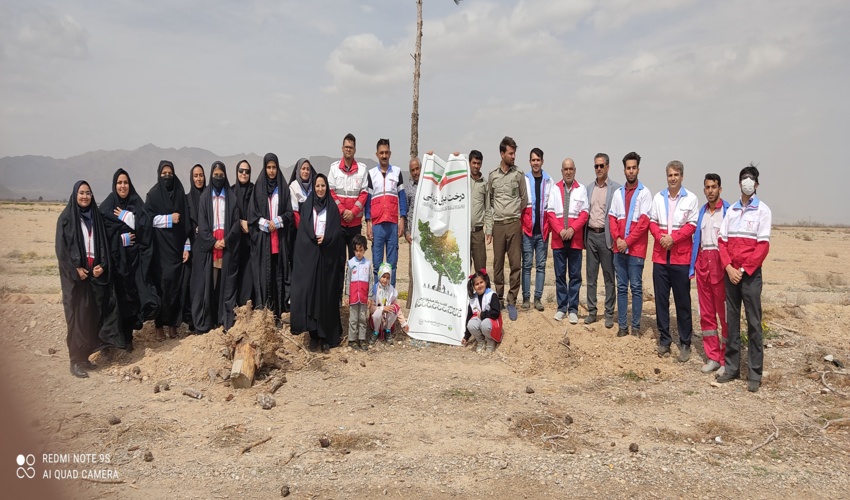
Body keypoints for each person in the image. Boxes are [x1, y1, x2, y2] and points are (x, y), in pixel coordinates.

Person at [57, 180, 124, 378]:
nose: (85, 196)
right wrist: (75, 269)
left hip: (94, 275)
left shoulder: (96, 217)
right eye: (81, 193)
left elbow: (104, 244)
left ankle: (85, 357)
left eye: (88, 193)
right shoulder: (66, 219)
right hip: (77, 278)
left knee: (91, 316)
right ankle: (75, 360)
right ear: (75, 195)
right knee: (77, 318)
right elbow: (62, 251)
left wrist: (102, 266)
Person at [716, 165, 771, 393]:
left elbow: (763, 246)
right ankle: (732, 367)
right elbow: (722, 241)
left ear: (756, 184)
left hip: (749, 276)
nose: (747, 183)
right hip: (731, 274)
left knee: (754, 323)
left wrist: (745, 270)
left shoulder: (763, 211)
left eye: (751, 179)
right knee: (732, 321)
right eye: (744, 179)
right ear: (739, 183)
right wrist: (729, 267)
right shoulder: (732, 210)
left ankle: (754, 373)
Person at [99, 168, 159, 351]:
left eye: (125, 182)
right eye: (119, 183)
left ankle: (128, 338)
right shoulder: (108, 206)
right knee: (116, 299)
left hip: (134, 263)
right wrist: (121, 238)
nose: (123, 186)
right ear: (114, 185)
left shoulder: (135, 202)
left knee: (132, 299)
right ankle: (109, 341)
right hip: (116, 264)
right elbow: (103, 233)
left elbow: (146, 225)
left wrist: (129, 218)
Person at [649, 160, 698, 362]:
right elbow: (652, 222)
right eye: (670, 175)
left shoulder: (691, 199)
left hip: (680, 258)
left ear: (682, 176)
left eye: (676, 174)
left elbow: (692, 225)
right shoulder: (658, 198)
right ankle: (664, 340)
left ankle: (685, 342)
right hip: (660, 258)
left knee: (682, 302)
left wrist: (673, 239)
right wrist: (661, 238)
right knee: (661, 301)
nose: (673, 178)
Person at [291, 174, 345, 352]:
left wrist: (327, 238)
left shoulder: (332, 208)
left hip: (328, 259)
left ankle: (327, 336)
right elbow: (304, 232)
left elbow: (337, 232)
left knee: (326, 296)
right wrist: (313, 240)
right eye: (317, 186)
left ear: (327, 187)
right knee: (312, 295)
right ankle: (314, 335)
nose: (320, 189)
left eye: (323, 186)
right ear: (314, 188)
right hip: (312, 257)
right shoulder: (307, 207)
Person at [190, 161, 242, 333]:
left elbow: (236, 223)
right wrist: (213, 242)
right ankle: (209, 320)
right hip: (211, 248)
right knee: (210, 284)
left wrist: (226, 240)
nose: (218, 177)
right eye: (215, 175)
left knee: (226, 284)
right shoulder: (205, 198)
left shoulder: (232, 197)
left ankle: (224, 320)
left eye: (221, 175)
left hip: (227, 247)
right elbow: (202, 224)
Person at [145, 160, 190, 341]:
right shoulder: (153, 195)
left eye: (169, 172)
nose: (167, 176)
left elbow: (186, 222)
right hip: (159, 251)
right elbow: (147, 220)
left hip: (176, 249)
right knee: (160, 286)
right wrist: (168, 219)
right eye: (163, 173)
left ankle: (172, 323)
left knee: (175, 287)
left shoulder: (180, 193)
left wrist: (186, 246)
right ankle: (158, 325)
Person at [609, 152, 653, 337]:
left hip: (636, 250)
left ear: (638, 169)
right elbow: (612, 218)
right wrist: (618, 239)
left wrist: (627, 241)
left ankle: (635, 327)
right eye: (628, 168)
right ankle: (622, 326)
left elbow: (644, 223)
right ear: (624, 170)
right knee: (621, 287)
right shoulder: (618, 193)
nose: (631, 171)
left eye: (634, 168)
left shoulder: (645, 193)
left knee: (635, 287)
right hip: (619, 249)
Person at [689, 173, 730, 374]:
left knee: (725, 316)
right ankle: (712, 356)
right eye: (707, 187)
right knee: (706, 315)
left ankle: (726, 360)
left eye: (714, 187)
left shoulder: (729, 211)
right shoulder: (701, 213)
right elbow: (697, 241)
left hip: (721, 267)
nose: (710, 190)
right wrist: (693, 266)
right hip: (703, 266)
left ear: (720, 189)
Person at [485, 136, 527, 321]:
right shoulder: (492, 175)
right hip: (498, 225)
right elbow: (490, 201)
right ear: (502, 154)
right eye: (510, 153)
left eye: (514, 153)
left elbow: (524, 199)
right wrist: (490, 227)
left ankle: (512, 300)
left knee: (516, 263)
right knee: (498, 264)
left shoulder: (519, 175)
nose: (513, 156)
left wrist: (514, 214)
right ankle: (499, 298)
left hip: (513, 224)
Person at [248, 153, 293, 327]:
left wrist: (278, 221)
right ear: (265, 168)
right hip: (263, 242)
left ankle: (278, 315)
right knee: (265, 278)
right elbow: (252, 215)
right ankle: (265, 316)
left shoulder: (283, 188)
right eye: (269, 167)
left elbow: (289, 212)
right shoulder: (258, 187)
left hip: (279, 241)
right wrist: (265, 223)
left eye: (274, 167)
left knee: (278, 278)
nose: (272, 171)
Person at [546, 158, 589, 323]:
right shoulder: (555, 189)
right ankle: (561, 307)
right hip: (558, 239)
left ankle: (573, 309)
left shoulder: (581, 189)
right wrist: (560, 230)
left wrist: (571, 229)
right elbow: (550, 212)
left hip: (575, 239)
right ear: (562, 171)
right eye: (565, 169)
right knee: (560, 276)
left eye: (571, 169)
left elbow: (585, 213)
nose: (568, 172)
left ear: (575, 170)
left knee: (575, 276)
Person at [584, 153, 621, 328]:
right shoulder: (589, 188)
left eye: (601, 165)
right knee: (591, 277)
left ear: (608, 167)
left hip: (607, 237)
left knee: (608, 277)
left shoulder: (616, 189)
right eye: (596, 166)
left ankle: (608, 313)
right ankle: (592, 311)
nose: (598, 169)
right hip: (591, 235)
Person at [365, 138, 407, 286]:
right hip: (377, 225)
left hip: (392, 224)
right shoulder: (371, 174)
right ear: (377, 154)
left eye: (386, 152)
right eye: (381, 153)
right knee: (377, 266)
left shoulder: (396, 172)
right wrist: (368, 223)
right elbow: (368, 200)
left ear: (390, 153)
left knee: (392, 265)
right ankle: (378, 300)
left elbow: (402, 197)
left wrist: (402, 219)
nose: (384, 155)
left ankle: (391, 299)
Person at [328, 133, 369, 267]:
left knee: (355, 263)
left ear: (355, 150)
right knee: (338, 262)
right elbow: (331, 192)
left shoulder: (362, 170)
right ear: (342, 148)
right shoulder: (334, 168)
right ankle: (338, 289)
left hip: (355, 224)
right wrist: (342, 211)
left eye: (351, 147)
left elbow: (364, 194)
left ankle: (353, 289)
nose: (348, 149)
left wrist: (353, 212)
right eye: (346, 147)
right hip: (338, 224)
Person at [520, 147, 553, 311]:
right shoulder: (524, 179)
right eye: (533, 160)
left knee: (540, 266)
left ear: (542, 161)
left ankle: (537, 299)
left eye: (538, 160)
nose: (536, 163)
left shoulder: (549, 180)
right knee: (526, 266)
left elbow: (551, 206)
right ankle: (526, 298)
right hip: (527, 231)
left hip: (543, 232)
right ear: (530, 161)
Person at [183, 163, 206, 331]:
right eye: (195, 176)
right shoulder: (187, 199)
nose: (198, 179)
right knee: (195, 283)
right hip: (194, 247)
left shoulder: (209, 196)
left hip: (209, 245)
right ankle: (194, 320)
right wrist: (186, 246)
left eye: (201, 175)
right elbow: (184, 226)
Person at [232, 159, 254, 307]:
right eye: (241, 171)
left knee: (249, 273)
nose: (244, 174)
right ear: (237, 172)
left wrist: (250, 223)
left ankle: (247, 304)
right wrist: (239, 222)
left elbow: (260, 212)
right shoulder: (231, 191)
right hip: (235, 240)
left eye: (247, 171)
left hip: (252, 239)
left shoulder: (255, 190)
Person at [345, 234, 373, 351]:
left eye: (360, 250)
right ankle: (352, 340)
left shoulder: (368, 264)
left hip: (363, 296)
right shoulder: (350, 263)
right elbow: (347, 280)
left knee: (362, 318)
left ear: (365, 249)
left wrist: (370, 296)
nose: (358, 253)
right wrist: (347, 295)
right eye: (356, 251)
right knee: (353, 319)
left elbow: (371, 281)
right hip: (353, 297)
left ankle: (362, 339)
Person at [465, 269, 502, 353]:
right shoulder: (473, 299)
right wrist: (466, 336)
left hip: (491, 320)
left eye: (481, 282)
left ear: (485, 282)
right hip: (480, 319)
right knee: (470, 324)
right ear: (473, 287)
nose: (479, 286)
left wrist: (483, 315)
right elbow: (469, 316)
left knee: (485, 324)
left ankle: (490, 340)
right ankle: (480, 340)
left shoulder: (492, 295)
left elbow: (496, 313)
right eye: (476, 284)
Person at [369, 262, 402, 346]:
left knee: (394, 308)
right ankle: (376, 331)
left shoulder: (392, 290)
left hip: (387, 318)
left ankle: (388, 330)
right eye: (383, 277)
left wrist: (404, 323)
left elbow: (398, 307)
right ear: (379, 275)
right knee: (378, 313)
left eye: (388, 278)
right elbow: (371, 308)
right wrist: (383, 308)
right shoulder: (375, 289)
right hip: (376, 318)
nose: (385, 280)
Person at [404, 156, 421, 302]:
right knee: (415, 269)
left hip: (428, 234)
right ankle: (414, 300)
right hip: (414, 235)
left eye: (417, 168)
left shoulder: (430, 184)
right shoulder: (408, 188)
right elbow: (407, 211)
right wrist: (407, 232)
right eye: (412, 170)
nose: (415, 172)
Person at [469, 150, 488, 273]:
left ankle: (482, 292)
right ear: (469, 163)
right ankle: (465, 292)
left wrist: (489, 230)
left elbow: (488, 208)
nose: (476, 166)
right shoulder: (462, 180)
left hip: (478, 232)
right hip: (463, 233)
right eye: (474, 163)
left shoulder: (484, 184)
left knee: (481, 270)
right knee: (461, 268)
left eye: (478, 163)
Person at [288, 158, 317, 228]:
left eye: (308, 169)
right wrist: (303, 228)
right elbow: (295, 212)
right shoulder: (293, 187)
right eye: (303, 168)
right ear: (298, 170)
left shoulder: (315, 185)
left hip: (315, 225)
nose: (305, 171)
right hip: (300, 227)